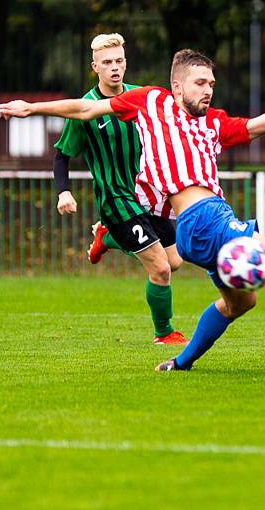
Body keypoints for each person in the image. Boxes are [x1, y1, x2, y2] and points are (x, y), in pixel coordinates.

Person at [0, 50, 265, 372]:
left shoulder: (214, 122)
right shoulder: (149, 102)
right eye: (200, 82)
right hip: (203, 219)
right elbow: (85, 108)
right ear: (177, 86)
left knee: (241, 303)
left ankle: (179, 363)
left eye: (212, 84)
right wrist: (32, 108)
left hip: (199, 227)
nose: (208, 90)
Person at [52, 33, 187, 346]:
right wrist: (64, 191)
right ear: (95, 66)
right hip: (116, 200)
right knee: (161, 268)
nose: (115, 67)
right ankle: (164, 333)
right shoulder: (84, 108)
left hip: (147, 196)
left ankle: (108, 236)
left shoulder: (141, 97)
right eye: (107, 62)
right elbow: (62, 156)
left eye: (119, 61)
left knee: (176, 261)